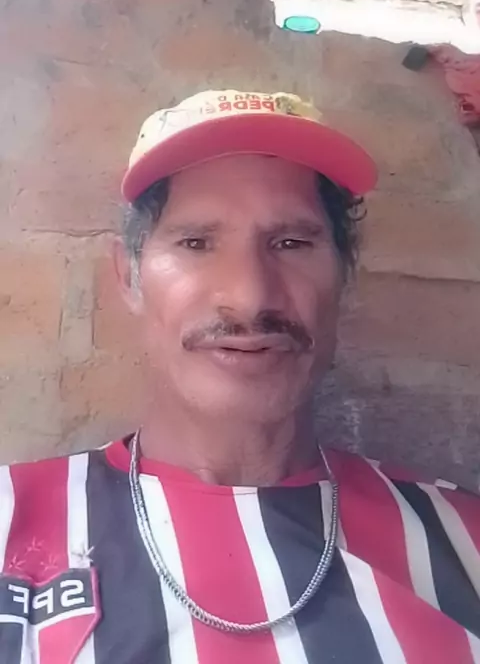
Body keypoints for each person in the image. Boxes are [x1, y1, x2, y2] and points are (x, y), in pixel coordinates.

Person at [1, 89, 479, 664]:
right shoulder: (9, 521)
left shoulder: (464, 542)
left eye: (291, 243)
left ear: (345, 276)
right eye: (196, 243)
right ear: (129, 276)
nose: (251, 297)